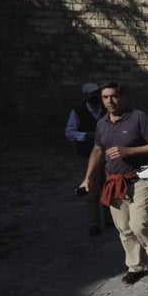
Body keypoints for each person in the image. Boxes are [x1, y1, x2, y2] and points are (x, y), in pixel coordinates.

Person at [78, 82, 148, 284]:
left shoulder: (139, 118)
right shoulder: (102, 123)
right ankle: (135, 265)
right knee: (124, 228)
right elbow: (98, 150)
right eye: (105, 97)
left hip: (141, 178)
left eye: (114, 96)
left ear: (123, 96)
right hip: (114, 182)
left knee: (140, 223)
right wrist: (88, 178)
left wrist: (130, 151)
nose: (110, 101)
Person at [65, 82, 107, 236]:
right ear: (86, 96)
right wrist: (86, 135)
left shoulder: (105, 109)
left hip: (107, 154)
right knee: (93, 189)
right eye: (92, 94)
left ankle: (110, 218)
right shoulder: (78, 112)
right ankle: (94, 222)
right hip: (88, 154)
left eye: (97, 93)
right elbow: (69, 132)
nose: (95, 96)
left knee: (109, 186)